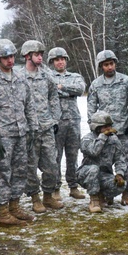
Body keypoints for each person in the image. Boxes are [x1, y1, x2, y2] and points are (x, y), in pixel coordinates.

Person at [0, 39, 36, 226]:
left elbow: (29, 104)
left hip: (20, 133)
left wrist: (32, 128)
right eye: (5, 57)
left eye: (11, 56)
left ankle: (14, 206)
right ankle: (3, 212)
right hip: (1, 137)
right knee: (1, 172)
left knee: (20, 171)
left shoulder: (20, 78)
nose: (10, 60)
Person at [86, 50, 128, 206]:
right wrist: (94, 127)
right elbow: (91, 107)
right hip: (104, 131)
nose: (109, 67)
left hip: (122, 129)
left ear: (115, 63)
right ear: (101, 66)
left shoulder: (125, 81)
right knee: (104, 163)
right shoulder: (96, 84)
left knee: (125, 161)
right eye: (106, 65)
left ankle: (126, 192)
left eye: (111, 64)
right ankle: (107, 192)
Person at [20, 40, 63, 212]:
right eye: (36, 54)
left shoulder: (47, 75)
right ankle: (35, 198)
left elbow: (54, 97)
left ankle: (48, 196)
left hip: (46, 127)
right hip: (29, 130)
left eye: (41, 54)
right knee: (30, 166)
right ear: (27, 56)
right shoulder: (19, 76)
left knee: (51, 165)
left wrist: (55, 120)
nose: (40, 57)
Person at [47, 46, 86, 200]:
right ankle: (55, 187)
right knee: (55, 156)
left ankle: (73, 186)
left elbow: (80, 89)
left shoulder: (75, 76)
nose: (60, 62)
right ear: (52, 62)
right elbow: (48, 92)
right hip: (56, 122)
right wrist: (66, 91)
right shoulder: (48, 77)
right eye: (57, 59)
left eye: (62, 59)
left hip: (73, 121)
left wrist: (61, 88)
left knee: (73, 155)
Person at [77, 111, 128, 213]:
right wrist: (102, 137)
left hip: (104, 175)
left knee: (121, 185)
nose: (108, 129)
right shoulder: (87, 139)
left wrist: (119, 174)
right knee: (94, 169)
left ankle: (103, 195)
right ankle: (94, 200)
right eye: (105, 126)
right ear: (96, 127)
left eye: (109, 126)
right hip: (86, 174)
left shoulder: (114, 140)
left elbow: (120, 159)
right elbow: (94, 151)